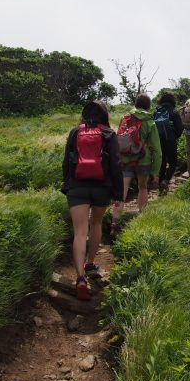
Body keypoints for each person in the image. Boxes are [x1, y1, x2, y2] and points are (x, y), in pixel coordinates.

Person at [62, 100, 123, 300]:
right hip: (102, 188)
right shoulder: (108, 133)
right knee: (95, 224)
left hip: (77, 186)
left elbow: (66, 162)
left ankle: (80, 277)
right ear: (104, 114)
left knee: (79, 232)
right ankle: (90, 264)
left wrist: (68, 184)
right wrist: (118, 194)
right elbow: (115, 165)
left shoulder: (75, 132)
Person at [110, 93, 162, 237]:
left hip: (125, 159)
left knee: (122, 191)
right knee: (142, 187)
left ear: (135, 104)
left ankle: (115, 222)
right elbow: (157, 150)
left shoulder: (125, 118)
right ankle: (141, 217)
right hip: (143, 160)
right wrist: (155, 172)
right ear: (148, 106)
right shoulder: (150, 122)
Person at [153, 91, 183, 192]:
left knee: (162, 163)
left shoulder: (156, 112)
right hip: (170, 141)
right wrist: (174, 136)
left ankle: (161, 187)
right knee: (173, 163)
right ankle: (165, 181)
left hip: (158, 141)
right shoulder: (174, 112)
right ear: (173, 100)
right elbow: (180, 128)